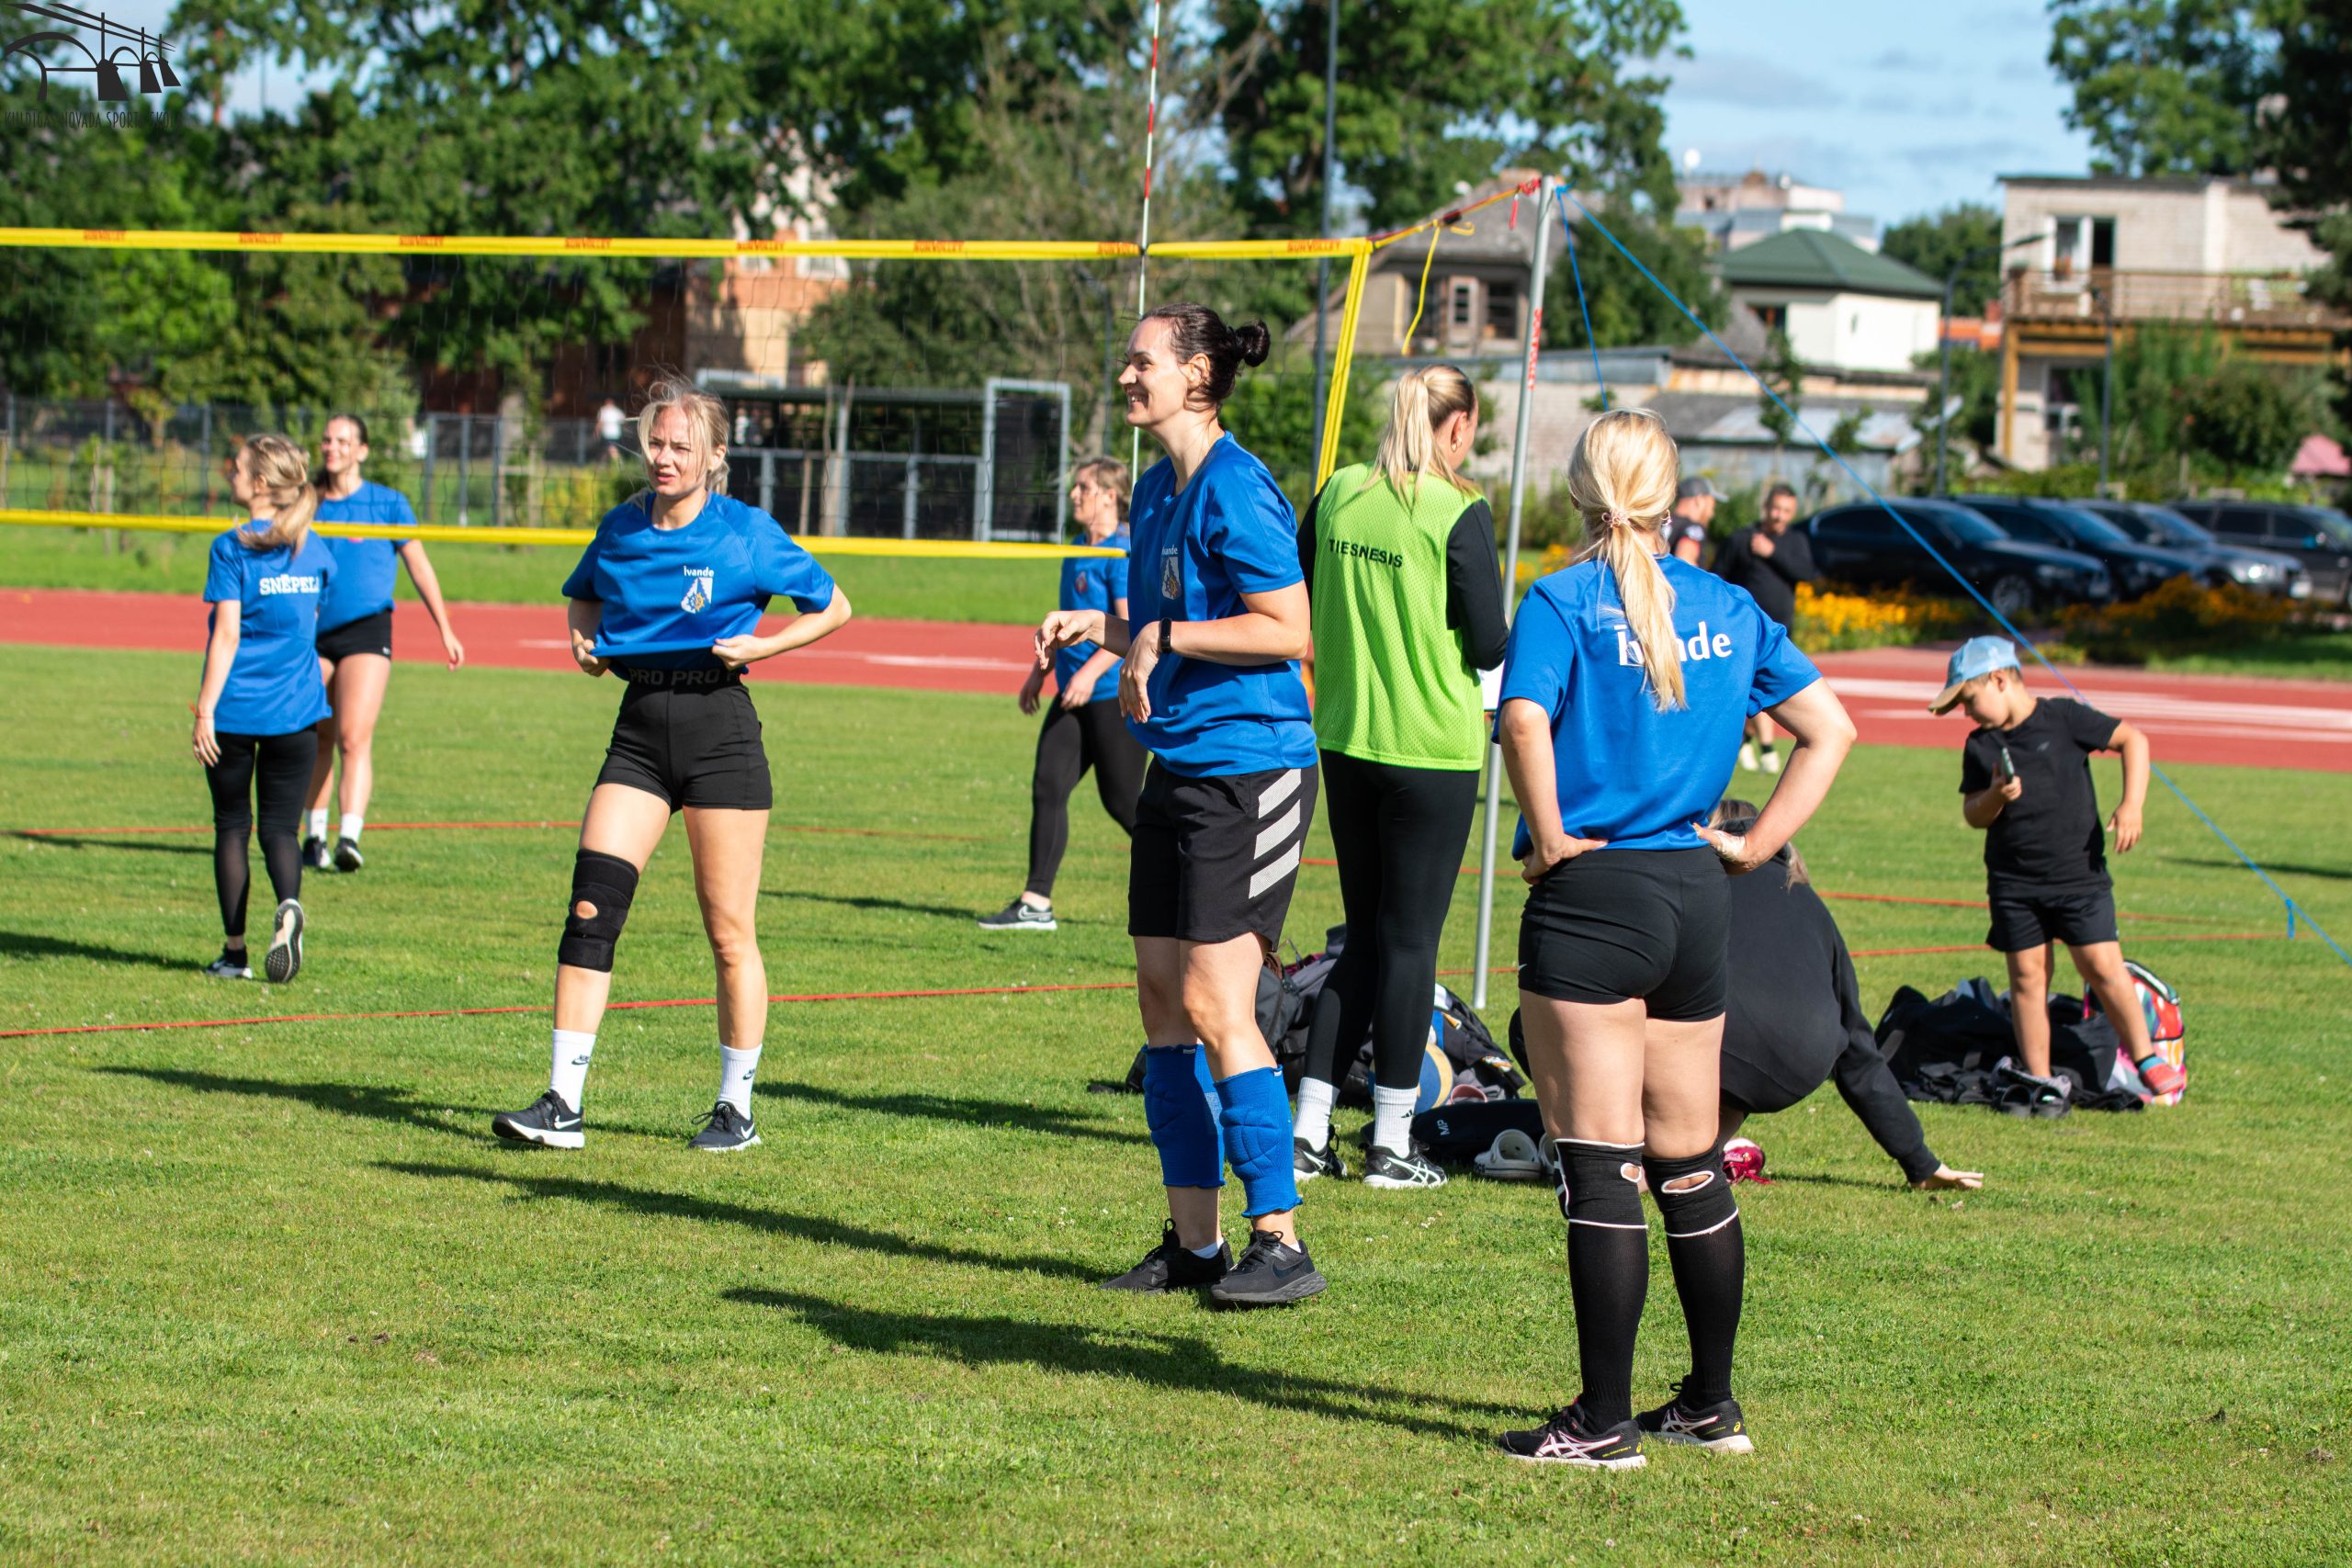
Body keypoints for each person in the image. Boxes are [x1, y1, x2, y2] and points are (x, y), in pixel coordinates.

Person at [1494, 408, 1855, 1468]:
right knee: (1691, 1161)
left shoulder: (1559, 599)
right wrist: (1756, 848)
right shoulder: (1729, 603)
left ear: (1581, 490)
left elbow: (1520, 719)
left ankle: (1603, 1424)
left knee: (1601, 1166)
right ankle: (1708, 1404)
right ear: (1668, 496)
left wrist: (1548, 835)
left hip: (1595, 892)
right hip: (1698, 896)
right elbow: (1829, 730)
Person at [1036, 302, 1324, 1308]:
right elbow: (1169, 624)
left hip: (1252, 770)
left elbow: (1286, 628)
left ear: (1197, 374)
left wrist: (1167, 639)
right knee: (1162, 1005)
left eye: (1142, 360)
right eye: (1125, 360)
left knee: (1215, 1003)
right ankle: (1196, 1245)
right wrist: (1105, 626)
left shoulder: (1237, 486)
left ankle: (1280, 1241)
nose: (1126, 374)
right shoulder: (1158, 487)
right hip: (1181, 766)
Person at [491, 377, 853, 1154]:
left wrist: (765, 645)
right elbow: (583, 596)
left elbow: (835, 606)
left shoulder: (745, 531)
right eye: (655, 442)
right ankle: (563, 1102)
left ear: (714, 455)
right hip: (638, 732)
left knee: (729, 932)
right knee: (591, 908)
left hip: (720, 731)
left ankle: (735, 1110)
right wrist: (581, 642)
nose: (663, 456)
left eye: (680, 446)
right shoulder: (621, 526)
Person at [1288, 364, 1508, 1190]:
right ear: (1458, 427)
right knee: (1410, 943)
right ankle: (1391, 1142)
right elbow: (1488, 642)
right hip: (1430, 749)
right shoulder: (1457, 509)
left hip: (1347, 739)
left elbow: (1302, 589)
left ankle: (1309, 1132)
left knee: (1364, 940)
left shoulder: (1339, 492)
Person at [1930, 637, 2184, 1106]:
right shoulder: (1981, 744)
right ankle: (2041, 1080)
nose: (1965, 712)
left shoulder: (2064, 718)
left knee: (2103, 967)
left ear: (1999, 680)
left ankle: (2146, 1057)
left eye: (1967, 699)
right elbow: (1973, 813)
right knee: (2028, 978)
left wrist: (2132, 804)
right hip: (2013, 883)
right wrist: (1995, 797)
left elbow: (2133, 740)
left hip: (2078, 878)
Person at [1708, 799, 1982, 1190]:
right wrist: (1921, 1162)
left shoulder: (1701, 879)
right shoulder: (1814, 909)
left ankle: (1653, 1161)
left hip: (1721, 1042)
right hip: (1800, 1063)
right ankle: (1696, 1158)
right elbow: (1858, 1050)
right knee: (1701, 1125)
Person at [978, 457, 1148, 932]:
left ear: (1109, 496)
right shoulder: (1076, 547)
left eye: (1084, 487)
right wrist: (1040, 671)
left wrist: (1090, 675)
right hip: (1073, 694)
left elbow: (1131, 630)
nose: (1074, 494)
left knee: (1125, 804)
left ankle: (1190, 878)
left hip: (1110, 696)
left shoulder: (1121, 551)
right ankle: (1036, 903)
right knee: (1048, 785)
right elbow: (1068, 622)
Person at [193, 434, 335, 985]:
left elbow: (227, 635)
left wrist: (205, 710)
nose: (228, 474)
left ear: (258, 483)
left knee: (232, 826)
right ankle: (289, 908)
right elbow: (312, 622)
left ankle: (235, 954)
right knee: (280, 829)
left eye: (236, 468)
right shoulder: (314, 549)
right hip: (297, 710)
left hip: (236, 708)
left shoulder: (231, 547)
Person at [301, 414, 467, 874]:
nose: (332, 447)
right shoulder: (308, 502)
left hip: (366, 631)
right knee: (316, 734)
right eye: (327, 439)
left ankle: (349, 838)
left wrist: (445, 628)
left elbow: (419, 566)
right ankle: (313, 836)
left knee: (353, 737)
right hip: (313, 633)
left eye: (342, 440)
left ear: (362, 450)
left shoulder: (387, 502)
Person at [1712, 481, 1815, 774]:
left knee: (1771, 691)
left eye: (1786, 511)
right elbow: (1717, 577)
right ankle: (1765, 748)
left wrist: (1772, 553)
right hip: (1744, 632)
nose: (1779, 516)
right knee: (1749, 689)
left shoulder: (1795, 541)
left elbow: (1807, 572)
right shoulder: (1742, 539)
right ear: (1765, 508)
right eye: (1775, 509)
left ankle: (1745, 741)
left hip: (1781, 632)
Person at [1664, 474, 1718, 566]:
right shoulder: (1693, 528)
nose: (1712, 514)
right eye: (1711, 506)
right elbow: (1685, 562)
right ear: (1699, 500)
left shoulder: (1660, 522)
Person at [596, 397, 627, 463]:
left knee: (611, 448)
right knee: (606, 449)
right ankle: (603, 464)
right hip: (616, 434)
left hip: (608, 434)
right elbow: (624, 421)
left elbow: (600, 423)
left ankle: (619, 462)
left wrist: (597, 431)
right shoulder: (617, 411)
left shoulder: (603, 411)